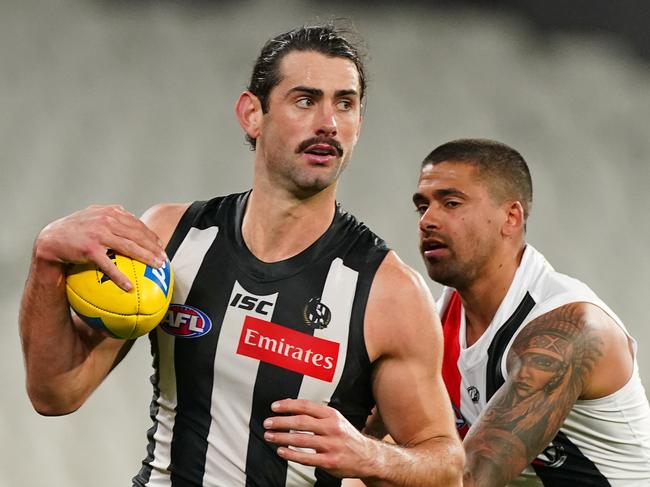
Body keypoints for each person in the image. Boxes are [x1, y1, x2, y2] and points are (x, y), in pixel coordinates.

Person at [19, 23, 464, 487]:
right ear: (252, 114)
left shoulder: (389, 293)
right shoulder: (169, 237)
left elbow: (447, 464)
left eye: (345, 104)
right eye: (306, 100)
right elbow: (56, 393)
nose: (328, 123)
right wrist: (46, 260)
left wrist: (371, 456)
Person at [412, 138, 650, 485]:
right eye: (422, 207)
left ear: (511, 217)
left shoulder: (570, 331)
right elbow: (376, 435)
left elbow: (470, 481)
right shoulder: (437, 325)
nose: (428, 220)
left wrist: (364, 458)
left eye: (451, 203)